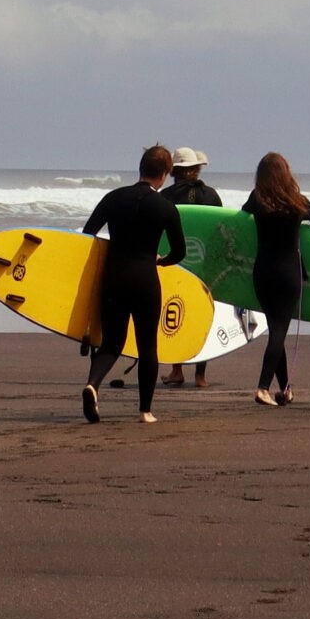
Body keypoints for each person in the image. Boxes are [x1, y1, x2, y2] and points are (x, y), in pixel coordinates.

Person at [79, 145, 189, 424]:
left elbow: (87, 235)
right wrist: (161, 261)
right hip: (145, 281)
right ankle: (145, 411)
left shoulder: (113, 198)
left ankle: (92, 385)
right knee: (147, 347)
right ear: (165, 174)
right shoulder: (165, 207)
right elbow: (180, 252)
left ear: (141, 169)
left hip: (113, 278)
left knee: (112, 343)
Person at [239, 152, 310, 407]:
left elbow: (240, 217)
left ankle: (285, 389)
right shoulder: (298, 202)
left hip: (262, 273)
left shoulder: (257, 199)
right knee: (278, 332)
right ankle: (262, 388)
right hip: (288, 274)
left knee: (276, 331)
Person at [157, 147, 223, 389]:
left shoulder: (165, 197)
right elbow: (221, 231)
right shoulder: (212, 196)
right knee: (203, 315)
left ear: (174, 171)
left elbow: (158, 231)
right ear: (196, 169)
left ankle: (177, 370)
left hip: (175, 262)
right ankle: (200, 376)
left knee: (174, 313)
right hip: (204, 263)